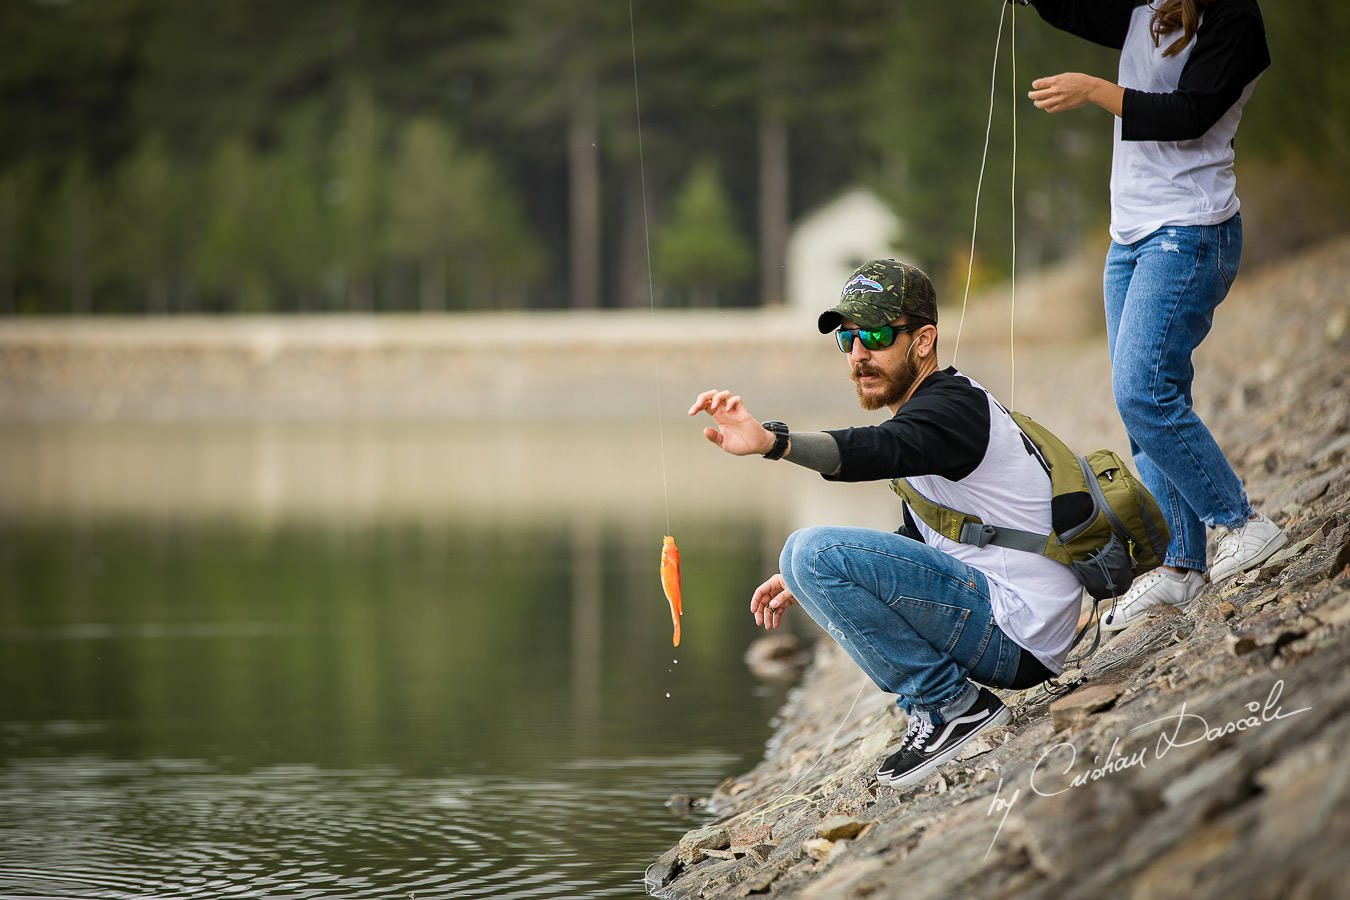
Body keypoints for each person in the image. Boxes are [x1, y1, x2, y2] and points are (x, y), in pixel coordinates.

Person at [689, 259, 1082, 790]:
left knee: (808, 549)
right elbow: (920, 540)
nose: (858, 355)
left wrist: (773, 443)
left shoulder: (952, 408)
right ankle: (944, 705)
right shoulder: (928, 414)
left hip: (1019, 629)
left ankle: (951, 708)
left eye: (875, 334)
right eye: (847, 340)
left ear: (923, 341)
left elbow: (877, 450)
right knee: (806, 564)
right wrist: (810, 583)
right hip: (1017, 625)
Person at [1020, 0, 1284, 632]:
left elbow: (1190, 116)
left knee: (1142, 392)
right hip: (1130, 236)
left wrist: (1095, 90)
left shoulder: (1234, 19)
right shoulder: (1152, 6)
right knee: (1145, 412)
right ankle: (1183, 565)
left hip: (1191, 231)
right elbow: (1081, 13)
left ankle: (1243, 524)